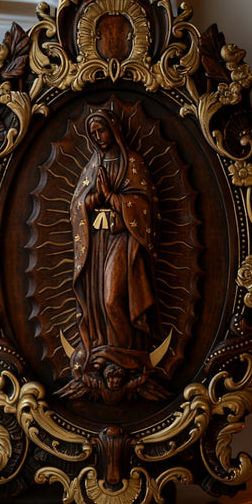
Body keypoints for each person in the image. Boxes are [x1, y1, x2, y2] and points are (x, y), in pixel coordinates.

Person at [62, 109, 165, 403]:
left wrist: (113, 199)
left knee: (112, 297)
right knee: (97, 301)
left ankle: (128, 352)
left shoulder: (132, 162)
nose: (97, 137)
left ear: (114, 130)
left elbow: (145, 205)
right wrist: (94, 199)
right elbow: (77, 206)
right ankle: (102, 349)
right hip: (98, 239)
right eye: (92, 133)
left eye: (101, 131)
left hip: (124, 238)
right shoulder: (93, 164)